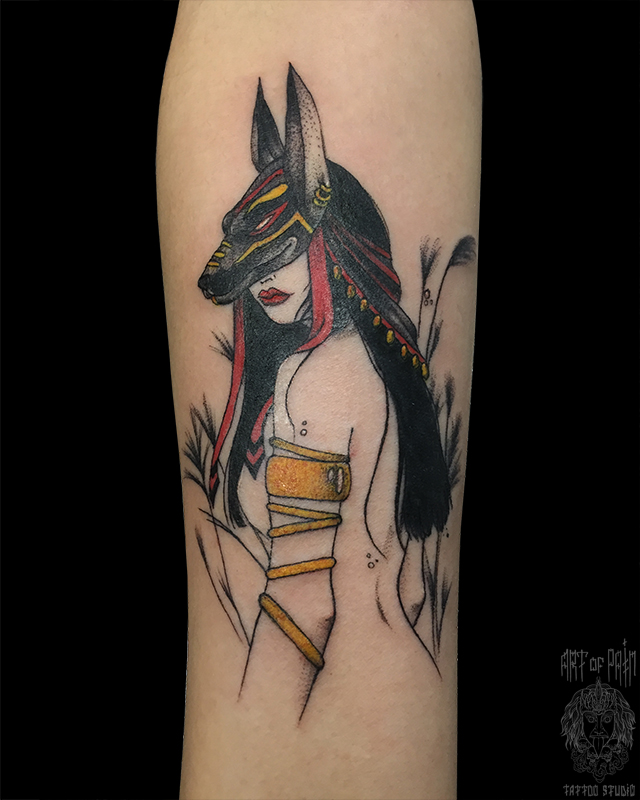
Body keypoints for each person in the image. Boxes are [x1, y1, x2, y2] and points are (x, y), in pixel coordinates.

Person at [157, 3, 480, 797]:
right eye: (256, 259)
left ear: (332, 242)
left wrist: (251, 700)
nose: (265, 278)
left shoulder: (316, 377)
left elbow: (307, 602)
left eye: (288, 248)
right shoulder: (362, 361)